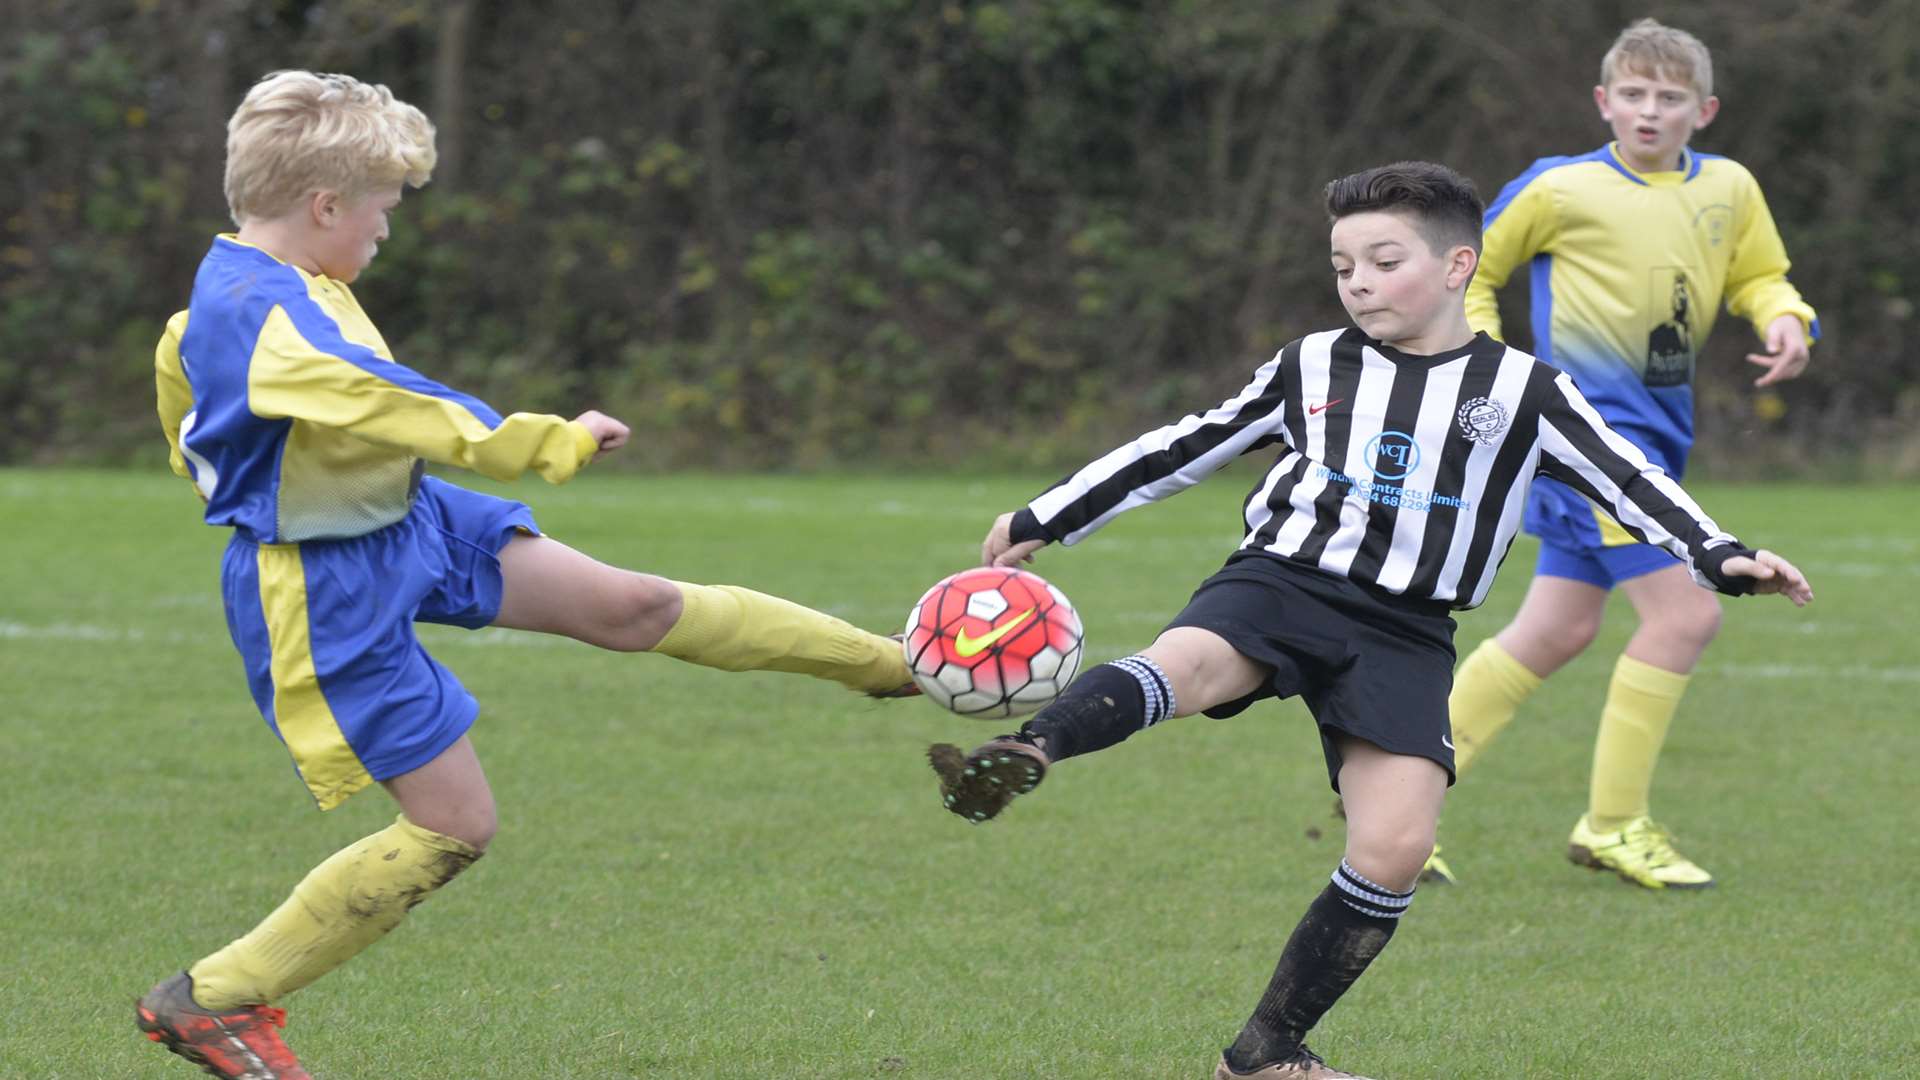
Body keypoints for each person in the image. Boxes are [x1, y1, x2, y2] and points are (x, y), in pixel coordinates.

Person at [926, 161, 1812, 1080]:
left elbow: (1628, 477)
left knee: (1396, 846)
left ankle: (1263, 1055)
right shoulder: (1314, 363)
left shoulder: (1524, 391)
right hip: (1285, 581)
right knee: (1186, 662)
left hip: (1408, 630)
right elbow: (1188, 444)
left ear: (1460, 265)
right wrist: (1050, 514)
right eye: (1343, 265)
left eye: (1383, 262)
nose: (1357, 282)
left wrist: (1718, 553)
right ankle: (1029, 751)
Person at [134, 70, 914, 1080]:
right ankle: (215, 1001)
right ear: (324, 204)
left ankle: (897, 666)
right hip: (327, 585)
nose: (385, 230)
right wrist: (543, 440)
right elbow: (390, 398)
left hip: (406, 516)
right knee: (455, 825)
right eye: (380, 208)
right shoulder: (265, 316)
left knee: (634, 606)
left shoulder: (260, 289)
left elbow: (184, 417)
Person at [1440, 17, 1819, 889]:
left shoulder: (1729, 188)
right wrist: (1489, 369)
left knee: (1558, 628)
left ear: (1704, 110)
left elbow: (1762, 274)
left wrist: (1785, 318)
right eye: (1635, 95)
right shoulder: (1559, 187)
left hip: (1658, 439)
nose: (1651, 112)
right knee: (1687, 615)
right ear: (1605, 102)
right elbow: (1472, 270)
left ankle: (1394, 783)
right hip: (1587, 443)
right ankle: (1614, 825)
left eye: (1670, 98)